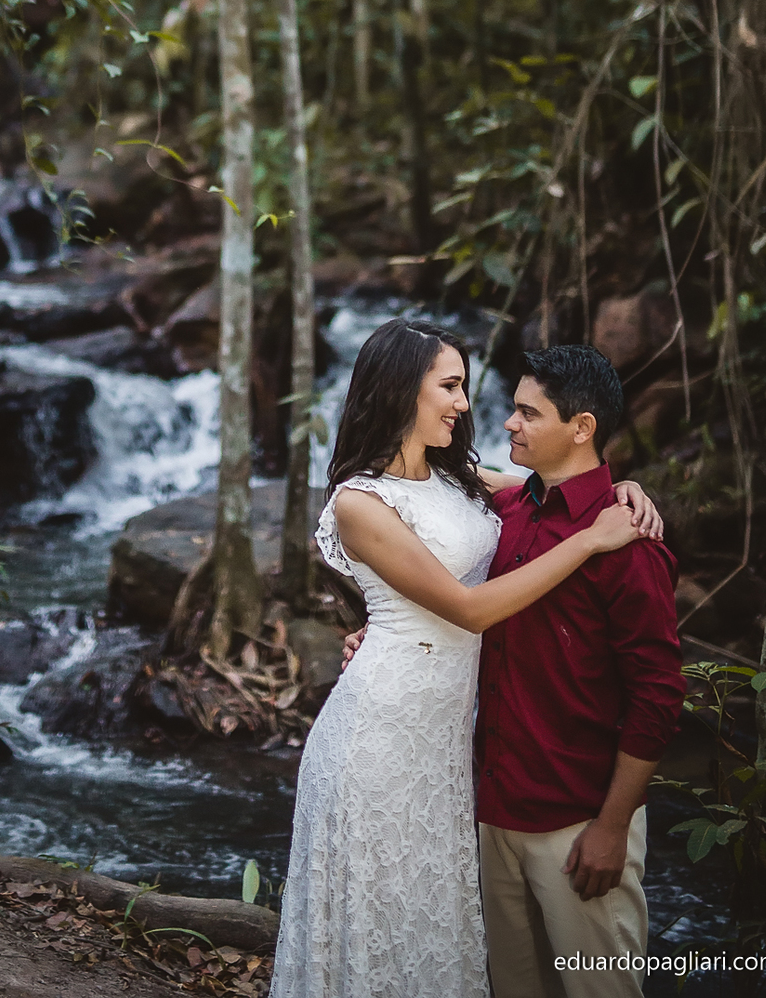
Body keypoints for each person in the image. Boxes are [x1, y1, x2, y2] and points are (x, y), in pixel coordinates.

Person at [268, 320, 660, 998]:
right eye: (450, 386)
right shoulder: (361, 501)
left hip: (450, 745)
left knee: (433, 925)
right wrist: (591, 541)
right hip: (382, 736)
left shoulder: (459, 476)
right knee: (381, 920)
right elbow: (470, 610)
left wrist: (624, 490)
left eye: (464, 387)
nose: (465, 404)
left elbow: (556, 485)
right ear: (401, 389)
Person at [472, 345, 685, 998]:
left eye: (528, 413)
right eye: (513, 409)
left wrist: (613, 827)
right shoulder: (512, 510)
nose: (509, 423)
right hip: (492, 807)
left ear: (581, 427)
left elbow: (658, 695)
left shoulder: (629, 546)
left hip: (576, 823)